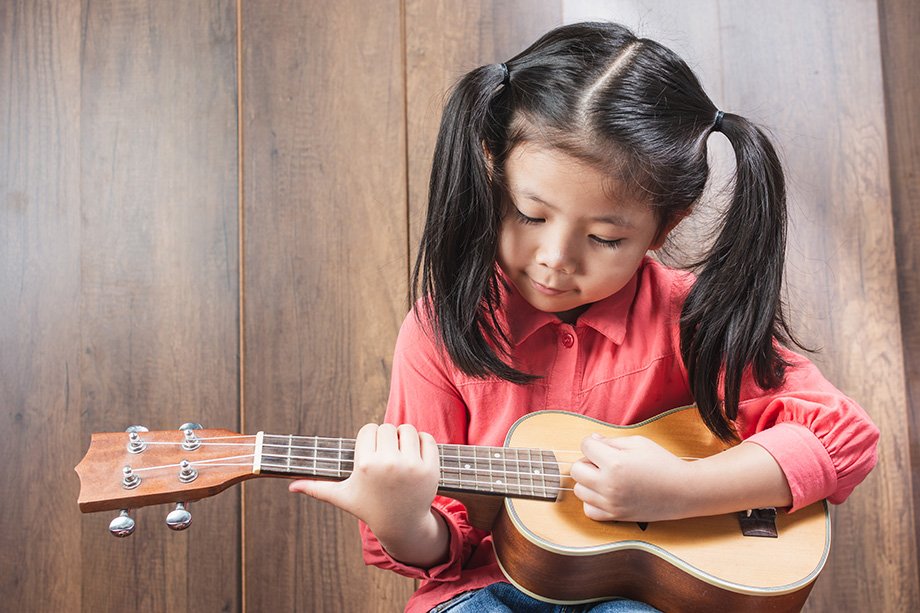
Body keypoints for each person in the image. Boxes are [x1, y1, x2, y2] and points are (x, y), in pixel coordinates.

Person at [289, 21, 879, 613]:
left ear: (665, 226)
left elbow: (845, 440)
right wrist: (399, 516)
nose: (555, 259)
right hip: (487, 590)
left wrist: (678, 492)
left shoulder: (691, 319)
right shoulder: (440, 331)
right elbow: (447, 548)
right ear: (493, 173)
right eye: (530, 214)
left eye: (602, 238)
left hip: (642, 596)